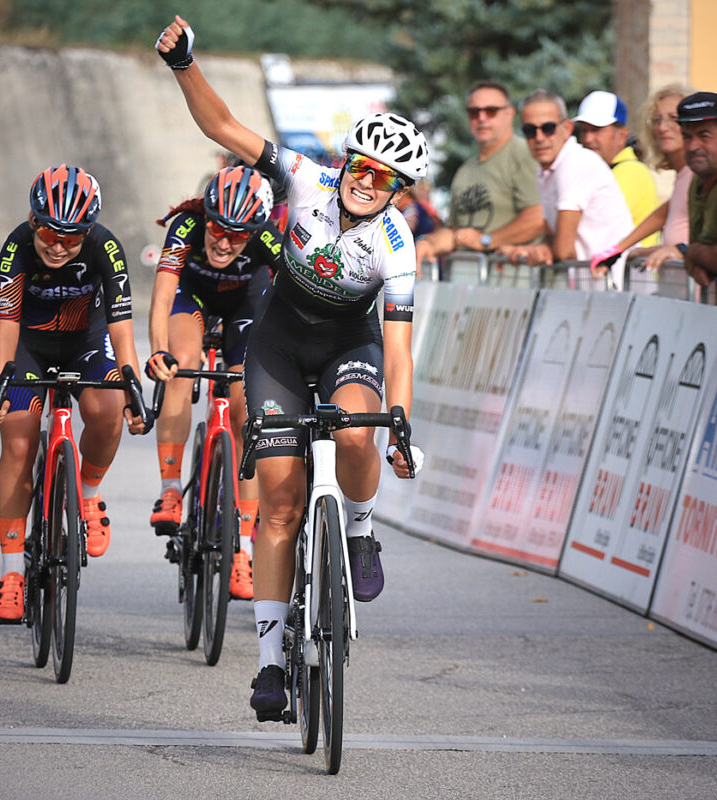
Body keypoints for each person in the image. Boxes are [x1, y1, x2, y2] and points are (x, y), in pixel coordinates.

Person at [156, 15, 423, 721]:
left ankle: (360, 528)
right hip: (275, 347)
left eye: (387, 180)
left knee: (360, 435)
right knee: (277, 503)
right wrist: (185, 64)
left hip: (348, 346)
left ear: (400, 192)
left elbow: (397, 345)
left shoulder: (396, 243)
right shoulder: (304, 179)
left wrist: (399, 419)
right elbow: (224, 126)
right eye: (363, 170)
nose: (369, 185)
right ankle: (271, 665)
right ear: (347, 166)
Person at [0, 165, 148, 623]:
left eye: (71, 238)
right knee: (17, 441)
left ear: (88, 231)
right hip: (29, 347)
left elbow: (121, 328)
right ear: (34, 221)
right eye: (49, 233)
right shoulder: (15, 247)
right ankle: (12, 572)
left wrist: (132, 386)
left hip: (86, 343)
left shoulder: (106, 247)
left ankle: (88, 494)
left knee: (108, 409)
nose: (58, 245)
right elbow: (7, 326)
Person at [145, 165, 284, 601]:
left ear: (256, 230)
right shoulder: (185, 226)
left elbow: (295, 301)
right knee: (182, 366)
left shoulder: (266, 241)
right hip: (194, 296)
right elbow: (163, 294)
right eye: (218, 228)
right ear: (205, 216)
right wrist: (156, 350)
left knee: (248, 413)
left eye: (238, 235)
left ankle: (242, 548)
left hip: (245, 304)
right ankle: (170, 490)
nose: (224, 242)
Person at [500, 89, 632, 288]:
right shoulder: (546, 169)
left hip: (618, 285)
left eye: (548, 128)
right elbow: (551, 236)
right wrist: (533, 249)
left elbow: (562, 250)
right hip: (597, 285)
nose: (539, 137)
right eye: (530, 130)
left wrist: (530, 252)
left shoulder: (574, 163)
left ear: (567, 128)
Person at [413, 81, 542, 271]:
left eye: (491, 111)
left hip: (514, 284)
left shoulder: (524, 154)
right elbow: (456, 233)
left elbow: (539, 218)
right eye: (474, 112)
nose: (482, 118)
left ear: (510, 113)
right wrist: (428, 243)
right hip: (468, 287)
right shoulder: (466, 169)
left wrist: (486, 240)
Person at [588, 85, 695, 276]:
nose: (662, 127)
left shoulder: (699, 175)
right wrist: (621, 250)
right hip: (677, 294)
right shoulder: (684, 176)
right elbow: (666, 215)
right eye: (656, 120)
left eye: (674, 119)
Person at [573, 90, 659, 247]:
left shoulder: (630, 171)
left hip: (629, 270)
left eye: (596, 130)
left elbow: (594, 224)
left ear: (621, 134)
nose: (587, 138)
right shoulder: (608, 170)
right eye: (584, 130)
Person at [676, 91, 717, 286]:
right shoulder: (699, 181)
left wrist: (693, 253)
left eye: (704, 136)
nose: (693, 146)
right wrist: (696, 259)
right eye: (686, 137)